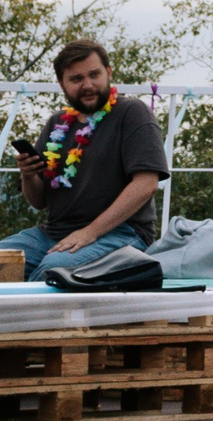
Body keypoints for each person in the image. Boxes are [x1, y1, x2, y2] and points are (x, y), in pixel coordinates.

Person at [6, 39, 168, 281]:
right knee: (4, 261)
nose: (88, 85)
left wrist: (90, 232)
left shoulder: (132, 112)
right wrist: (28, 175)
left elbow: (147, 184)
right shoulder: (56, 123)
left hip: (121, 234)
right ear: (62, 84)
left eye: (94, 74)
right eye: (76, 79)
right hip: (53, 234)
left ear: (109, 72)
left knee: (53, 272)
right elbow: (38, 201)